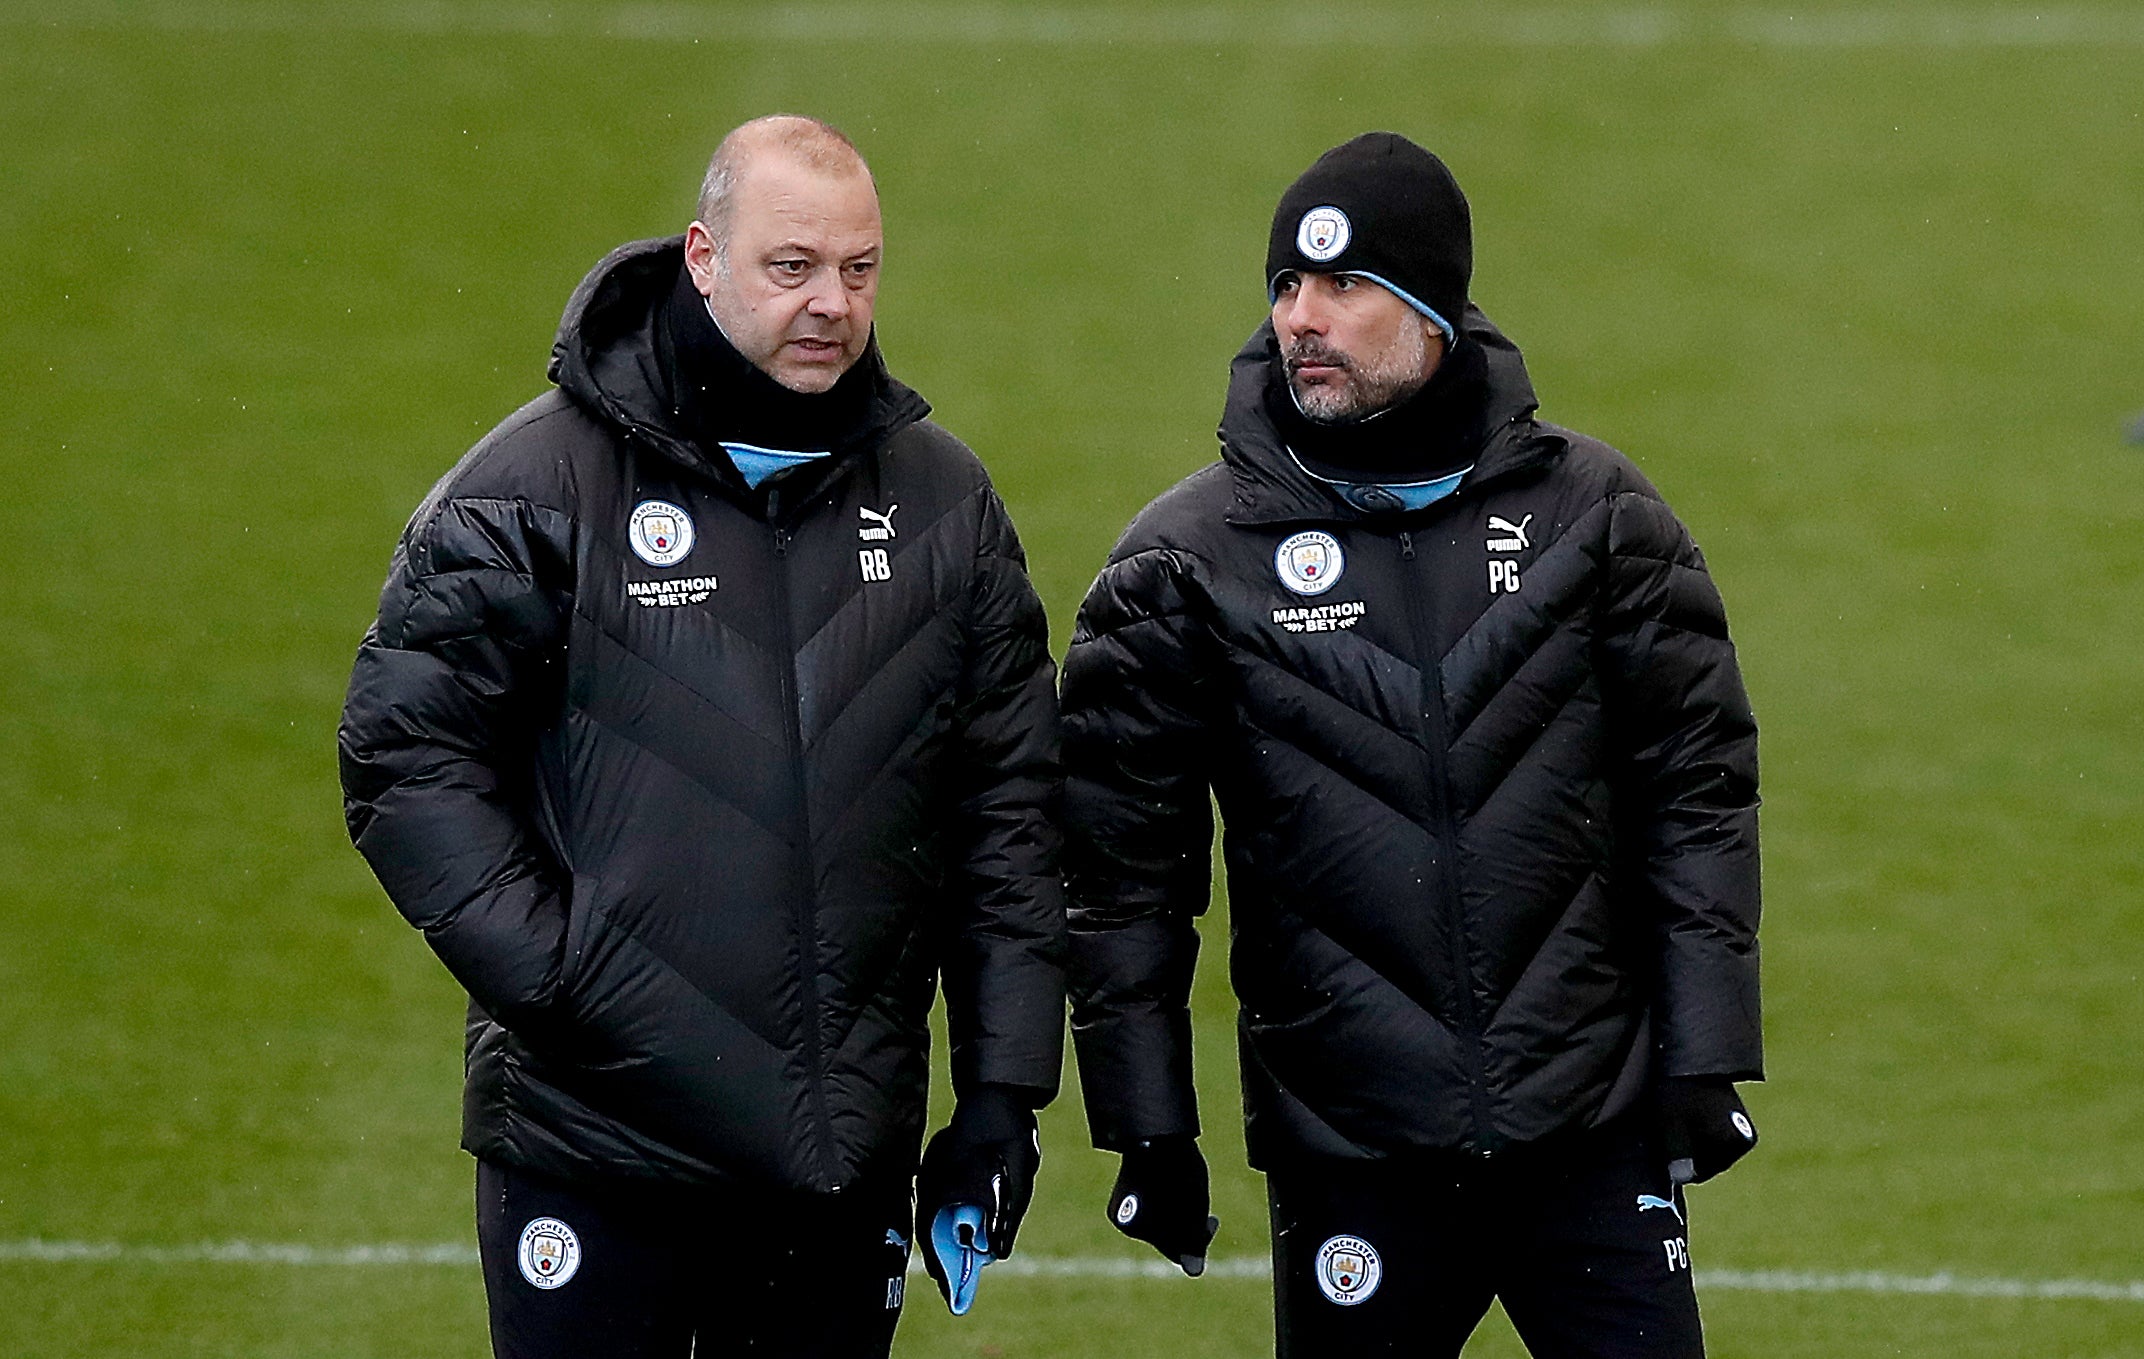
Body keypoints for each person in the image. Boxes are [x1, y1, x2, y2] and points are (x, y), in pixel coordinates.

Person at [338, 115, 1065, 1359]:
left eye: (858, 267)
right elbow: (403, 757)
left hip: (836, 1159)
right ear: (702, 257)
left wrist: (1002, 1091)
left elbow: (1006, 811)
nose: (831, 303)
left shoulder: (944, 506)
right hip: (593, 1142)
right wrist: (566, 977)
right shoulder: (532, 490)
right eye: (791, 266)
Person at [1062, 132, 1763, 1358]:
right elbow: (1120, 868)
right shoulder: (1183, 563)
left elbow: (1695, 788)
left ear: (1433, 312)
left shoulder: (1596, 520)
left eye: (1345, 287)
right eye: (1286, 287)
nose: (1303, 319)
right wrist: (1144, 1124)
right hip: (1350, 1151)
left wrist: (1707, 1053)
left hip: (1587, 1130)